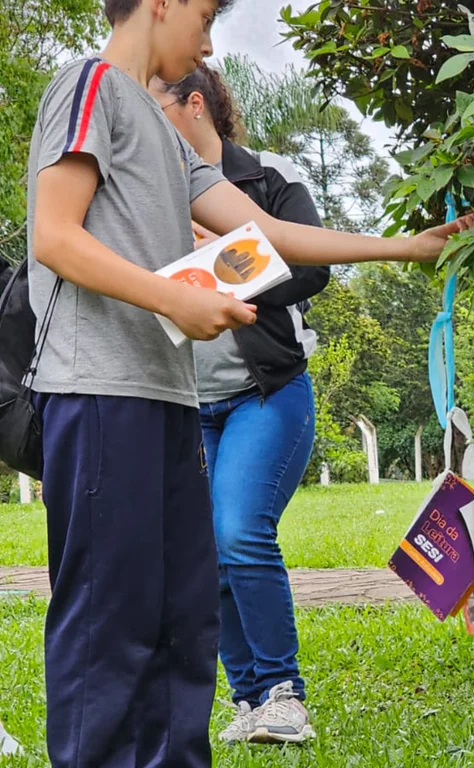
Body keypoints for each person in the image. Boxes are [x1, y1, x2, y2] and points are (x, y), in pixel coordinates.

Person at [26, 0, 472, 764]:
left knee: (182, 617)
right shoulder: (90, 84)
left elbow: (266, 234)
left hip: (167, 397)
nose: (206, 40)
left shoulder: (164, 134)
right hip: (100, 393)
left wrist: (407, 247)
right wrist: (177, 298)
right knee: (112, 622)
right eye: (202, 14)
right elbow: (53, 234)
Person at [150, 64, 325, 744]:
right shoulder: (152, 192)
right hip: (188, 402)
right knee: (206, 550)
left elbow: (314, 267)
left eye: (155, 104)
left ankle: (285, 690)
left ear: (194, 105)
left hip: (267, 393)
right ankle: (251, 700)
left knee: (241, 533)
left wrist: (224, 259)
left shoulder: (265, 179)